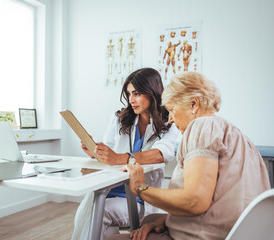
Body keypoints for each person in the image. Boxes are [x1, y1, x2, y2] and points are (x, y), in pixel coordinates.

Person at [107, 72, 270, 240]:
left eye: (171, 109)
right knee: (150, 219)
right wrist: (165, 220)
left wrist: (140, 188)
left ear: (193, 104)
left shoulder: (201, 126)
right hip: (236, 231)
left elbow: (194, 201)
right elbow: (217, 199)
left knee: (112, 239)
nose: (169, 119)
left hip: (204, 235)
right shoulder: (241, 138)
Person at [73, 68, 179, 240]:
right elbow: (109, 149)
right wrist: (96, 153)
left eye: (136, 93)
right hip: (110, 188)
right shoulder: (120, 118)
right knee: (85, 210)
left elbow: (161, 153)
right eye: (129, 94)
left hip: (138, 198)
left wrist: (119, 158)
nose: (131, 100)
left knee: (100, 212)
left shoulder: (170, 121)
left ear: (152, 92)